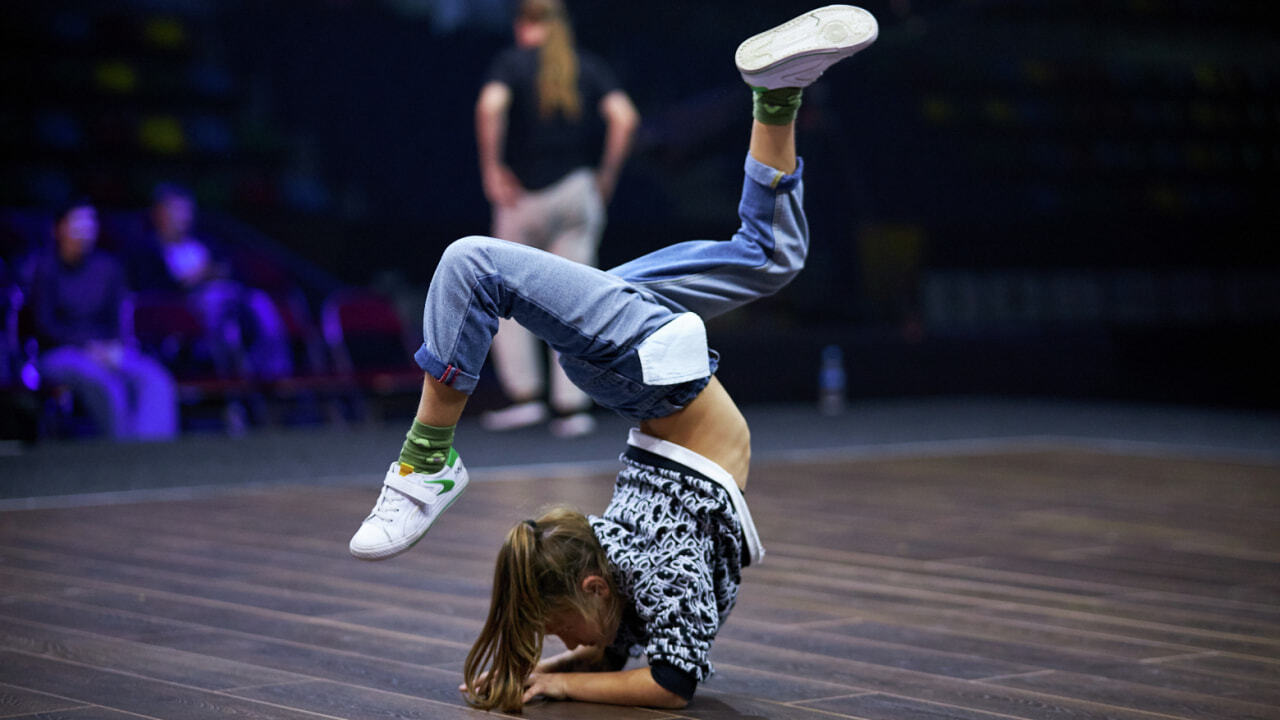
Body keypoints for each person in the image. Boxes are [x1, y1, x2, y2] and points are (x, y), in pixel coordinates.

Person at [349, 4, 878, 710]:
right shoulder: (637, 580)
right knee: (772, 255)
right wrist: (559, 673)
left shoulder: (636, 573)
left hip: (643, 365)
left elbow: (649, 671)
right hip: (642, 360)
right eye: (557, 637)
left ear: (595, 587)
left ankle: (424, 462)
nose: (563, 645)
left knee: (473, 266)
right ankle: (776, 92)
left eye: (556, 632)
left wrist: (561, 679)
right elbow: (659, 674)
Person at [475, 0, 640, 437]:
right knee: (579, 303)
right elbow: (624, 118)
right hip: (574, 192)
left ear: (523, 24)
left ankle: (526, 398)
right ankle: (573, 407)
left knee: (505, 297)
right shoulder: (587, 66)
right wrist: (605, 176)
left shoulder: (512, 63)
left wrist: (492, 168)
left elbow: (491, 106)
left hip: (523, 197)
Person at [30, 201, 179, 440]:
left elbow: (118, 318)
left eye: (90, 223)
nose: (85, 229)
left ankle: (152, 451)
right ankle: (121, 454)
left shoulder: (108, 268)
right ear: (59, 229)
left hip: (106, 350)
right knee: (103, 382)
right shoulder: (45, 268)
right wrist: (86, 346)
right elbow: (44, 325)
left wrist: (114, 347)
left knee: (155, 379)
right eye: (77, 222)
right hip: (62, 352)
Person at [122, 183, 292, 381]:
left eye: (187, 210)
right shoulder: (146, 250)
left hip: (231, 298)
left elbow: (234, 269)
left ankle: (276, 374)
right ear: (159, 213)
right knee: (216, 308)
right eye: (177, 210)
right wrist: (195, 279)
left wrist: (219, 272)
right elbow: (151, 289)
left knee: (260, 300)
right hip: (188, 310)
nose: (184, 217)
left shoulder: (205, 243)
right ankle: (232, 377)